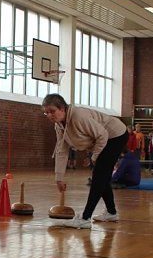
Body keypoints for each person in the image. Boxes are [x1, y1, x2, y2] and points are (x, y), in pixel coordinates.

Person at [42, 93, 128, 229]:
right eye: (46, 113)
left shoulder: (78, 116)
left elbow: (102, 135)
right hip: (103, 139)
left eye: (52, 111)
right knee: (102, 176)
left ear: (62, 108)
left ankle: (85, 218)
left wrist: (94, 157)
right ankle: (111, 213)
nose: (49, 115)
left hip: (115, 135)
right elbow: (61, 150)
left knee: (99, 175)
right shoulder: (59, 126)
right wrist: (59, 178)